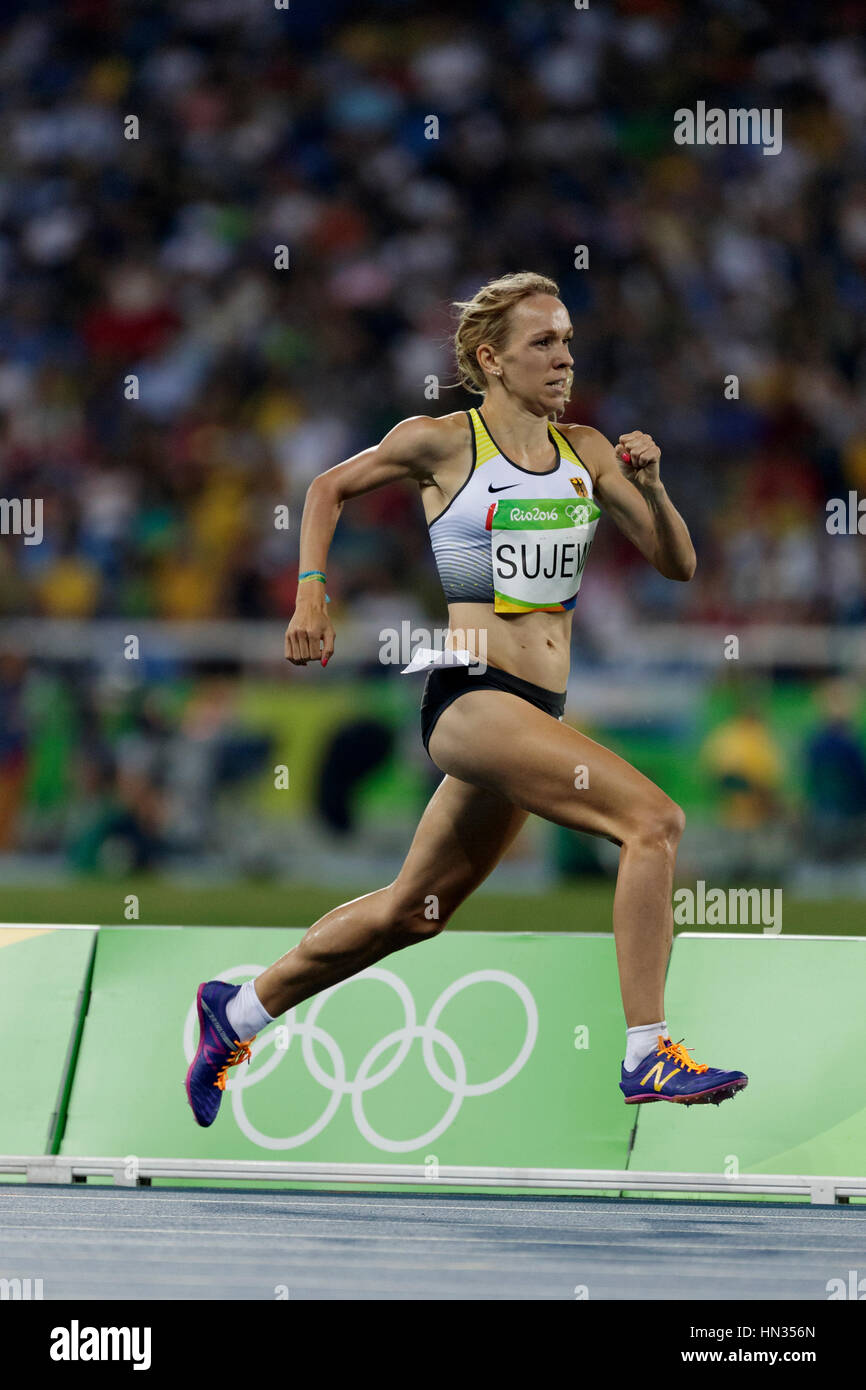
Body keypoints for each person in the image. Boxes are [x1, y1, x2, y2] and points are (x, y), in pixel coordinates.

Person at [186, 271, 747, 1126]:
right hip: (472, 697)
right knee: (655, 823)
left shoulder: (589, 450)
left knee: (413, 914)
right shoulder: (443, 441)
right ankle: (647, 1052)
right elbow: (326, 488)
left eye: (567, 341)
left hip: (535, 711)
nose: (564, 358)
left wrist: (658, 486)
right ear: (491, 358)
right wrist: (309, 591)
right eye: (543, 343)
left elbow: (679, 565)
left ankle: (237, 1010)